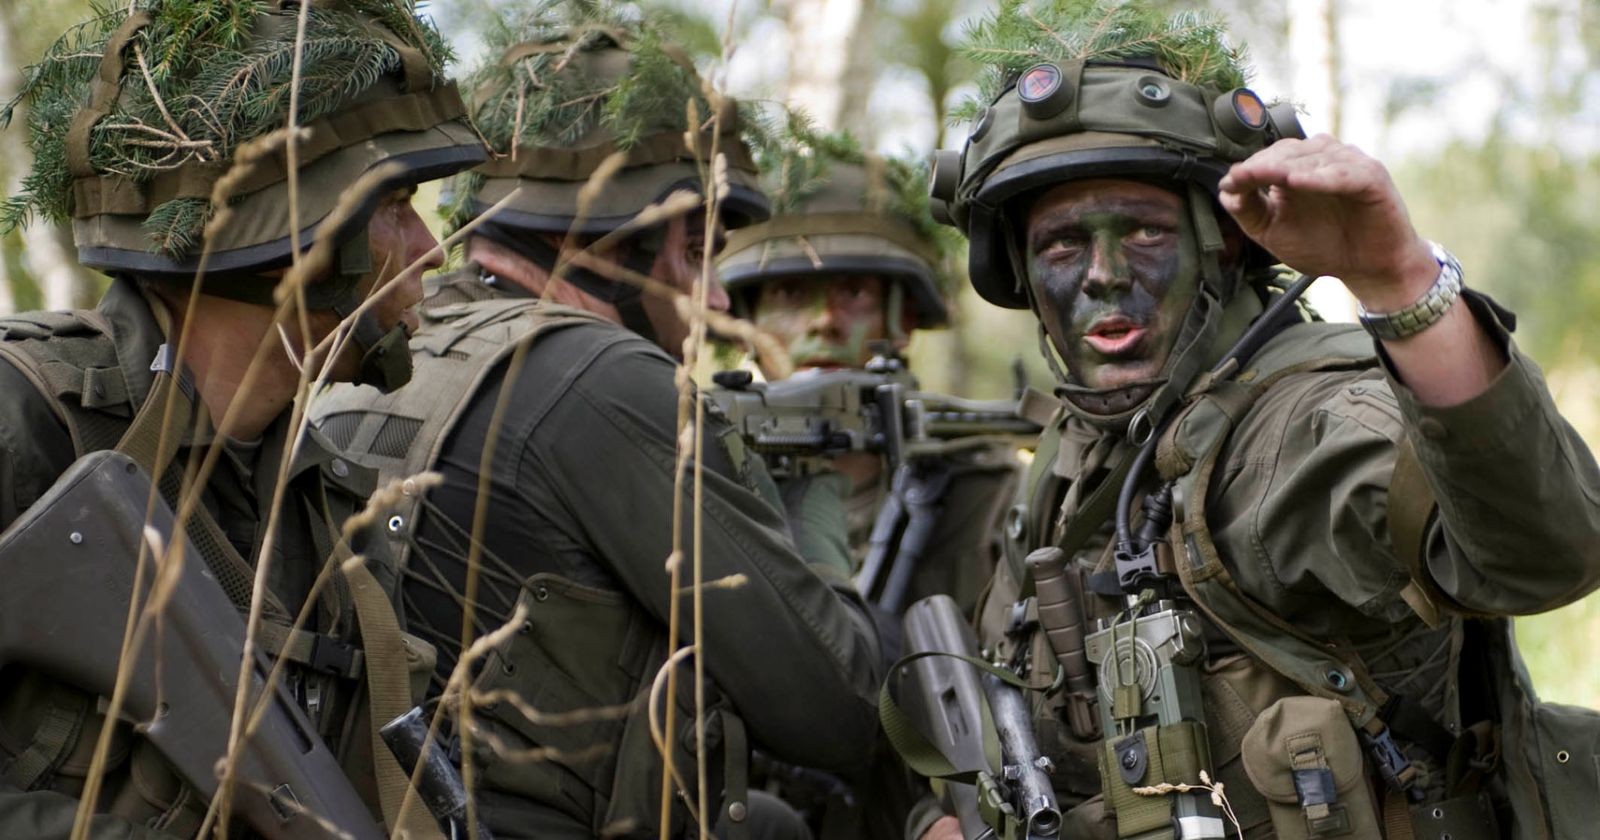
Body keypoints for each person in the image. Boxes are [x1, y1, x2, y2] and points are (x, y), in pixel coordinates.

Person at [903, 2, 1600, 839]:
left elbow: (1546, 556)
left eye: (1146, 232)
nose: (1104, 274)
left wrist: (1401, 282)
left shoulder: (1304, 426)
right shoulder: (1072, 451)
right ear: (1016, 268)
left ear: (1224, 245)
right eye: (1061, 245)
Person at [308, 5, 884, 838]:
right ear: (617, 245)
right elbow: (839, 711)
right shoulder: (604, 381)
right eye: (697, 256)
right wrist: (818, 505)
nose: (717, 302)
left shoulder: (381, 354)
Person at [0, 1, 485, 837]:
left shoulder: (327, 505)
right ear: (291, 238)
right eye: (395, 205)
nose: (431, 249)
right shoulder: (28, 426)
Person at [717, 125, 1023, 620]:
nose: (824, 321)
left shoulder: (992, 499)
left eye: (854, 292)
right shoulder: (708, 486)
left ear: (901, 319)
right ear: (744, 322)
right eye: (790, 295)